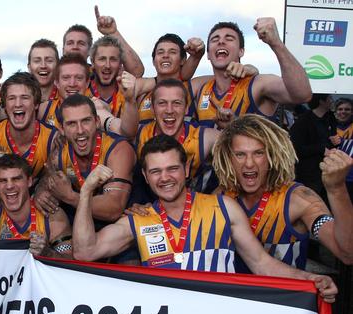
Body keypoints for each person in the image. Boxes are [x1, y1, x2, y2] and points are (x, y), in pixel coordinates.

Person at [71, 135, 337, 303]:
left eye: (172, 168)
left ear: (186, 169)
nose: (165, 178)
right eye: (156, 171)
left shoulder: (223, 207)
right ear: (145, 175)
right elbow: (85, 252)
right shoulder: (138, 219)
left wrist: (309, 279)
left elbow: (261, 263)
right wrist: (85, 193)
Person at [212, 114, 353, 269]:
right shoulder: (220, 197)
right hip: (231, 293)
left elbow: (347, 254)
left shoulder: (298, 199)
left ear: (273, 155)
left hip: (283, 293)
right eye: (240, 154)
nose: (249, 163)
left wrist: (337, 189)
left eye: (259, 153)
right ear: (228, 158)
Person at [193, 19, 312, 128]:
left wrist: (276, 43)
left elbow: (303, 95)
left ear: (241, 51)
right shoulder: (201, 87)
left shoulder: (257, 84)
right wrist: (194, 57)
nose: (221, 42)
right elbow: (176, 81)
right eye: (215, 39)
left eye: (229, 38)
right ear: (208, 54)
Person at [38, 94, 135, 225]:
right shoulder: (57, 154)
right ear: (62, 129)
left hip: (118, 226)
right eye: (71, 123)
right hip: (80, 225)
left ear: (97, 122)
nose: (80, 130)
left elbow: (114, 208)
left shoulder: (118, 150)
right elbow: (46, 181)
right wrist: (39, 193)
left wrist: (70, 197)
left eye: (86, 121)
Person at [0, 154, 72, 258]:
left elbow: (70, 262)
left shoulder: (51, 216)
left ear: (29, 181)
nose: (9, 186)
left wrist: (48, 253)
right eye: (3, 181)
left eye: (16, 179)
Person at [0, 72, 58, 181]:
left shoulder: (53, 138)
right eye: (11, 98)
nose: (18, 104)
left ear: (36, 104)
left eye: (24, 97)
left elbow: (55, 181)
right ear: (5, 106)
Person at [290, 94, 337, 202]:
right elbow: (296, 148)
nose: (332, 101)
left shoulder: (330, 117)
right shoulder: (303, 121)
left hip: (327, 171)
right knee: (311, 203)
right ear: (321, 101)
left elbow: (330, 140)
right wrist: (321, 149)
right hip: (308, 174)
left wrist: (335, 142)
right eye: (329, 98)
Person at [38, 53, 90, 129]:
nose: (72, 84)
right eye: (66, 78)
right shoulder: (44, 110)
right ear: (56, 82)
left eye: (78, 78)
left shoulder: (97, 109)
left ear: (87, 83)